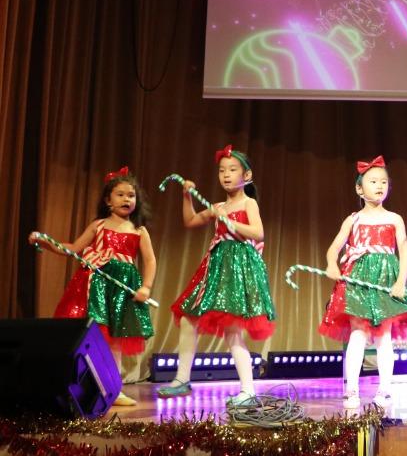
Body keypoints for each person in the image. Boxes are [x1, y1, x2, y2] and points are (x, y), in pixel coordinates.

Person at [158, 145, 276, 407]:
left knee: (232, 329)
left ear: (247, 175)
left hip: (237, 268)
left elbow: (258, 233)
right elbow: (190, 221)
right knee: (188, 318)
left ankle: (248, 391)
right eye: (222, 170)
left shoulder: (249, 203)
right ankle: (182, 379)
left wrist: (229, 221)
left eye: (232, 170)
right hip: (215, 267)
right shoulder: (218, 206)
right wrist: (187, 196)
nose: (226, 175)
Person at [32, 166, 156, 406]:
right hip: (94, 286)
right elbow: (73, 249)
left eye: (131, 195)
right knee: (92, 335)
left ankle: (115, 389)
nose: (127, 199)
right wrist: (46, 242)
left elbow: (150, 261)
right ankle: (80, 386)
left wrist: (146, 287)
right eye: (120, 194)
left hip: (121, 289)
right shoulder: (98, 226)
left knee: (116, 338)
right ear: (108, 200)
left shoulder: (139, 231)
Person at [319, 156, 407, 410]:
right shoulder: (353, 220)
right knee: (357, 333)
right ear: (359, 189)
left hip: (386, 279)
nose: (379, 186)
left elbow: (404, 252)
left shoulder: (395, 218)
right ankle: (351, 389)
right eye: (373, 181)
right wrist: (332, 265)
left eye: (384, 182)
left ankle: (385, 389)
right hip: (358, 281)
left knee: (384, 335)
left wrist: (400, 282)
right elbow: (334, 248)